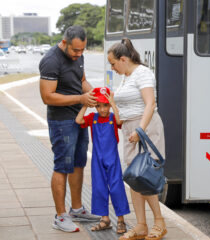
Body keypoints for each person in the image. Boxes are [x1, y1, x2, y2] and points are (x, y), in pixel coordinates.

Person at [39, 25, 100, 233]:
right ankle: (60, 216)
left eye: (82, 50)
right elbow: (47, 96)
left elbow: (81, 81)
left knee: (78, 164)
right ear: (64, 43)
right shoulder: (51, 60)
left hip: (79, 117)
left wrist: (96, 95)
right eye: (75, 50)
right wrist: (80, 99)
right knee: (62, 166)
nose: (79, 54)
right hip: (61, 120)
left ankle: (76, 209)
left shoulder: (78, 57)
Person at [107, 38, 167, 240]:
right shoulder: (126, 76)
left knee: (145, 176)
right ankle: (141, 225)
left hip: (145, 128)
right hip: (130, 130)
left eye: (113, 64)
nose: (112, 68)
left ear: (123, 59)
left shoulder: (142, 73)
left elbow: (150, 104)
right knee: (134, 178)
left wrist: (140, 130)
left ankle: (159, 222)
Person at [75, 87, 130, 234]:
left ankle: (121, 220)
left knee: (117, 187)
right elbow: (78, 120)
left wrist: (113, 103)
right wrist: (86, 104)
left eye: (105, 105)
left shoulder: (113, 117)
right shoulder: (92, 118)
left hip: (112, 159)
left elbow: (120, 121)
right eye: (98, 106)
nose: (102, 109)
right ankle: (104, 219)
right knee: (99, 188)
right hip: (97, 160)